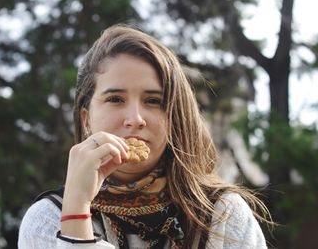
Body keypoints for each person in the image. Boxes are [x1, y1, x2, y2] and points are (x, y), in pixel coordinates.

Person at [18, 24, 272, 249]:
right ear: (87, 119)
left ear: (174, 118)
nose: (135, 118)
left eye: (153, 101)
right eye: (115, 99)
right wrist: (75, 217)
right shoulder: (47, 219)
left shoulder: (221, 214)